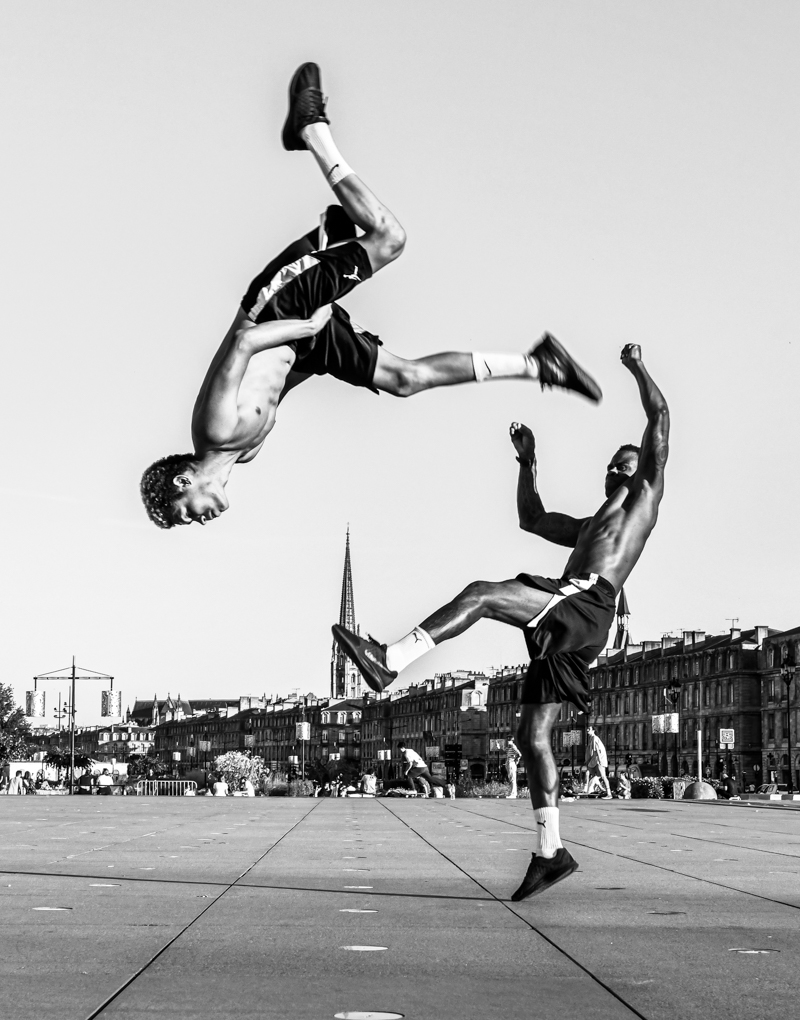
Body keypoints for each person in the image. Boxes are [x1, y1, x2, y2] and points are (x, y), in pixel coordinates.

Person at [140, 62, 601, 529]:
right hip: (302, 344)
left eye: (188, 515)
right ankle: (540, 364)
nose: (201, 520)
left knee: (389, 238)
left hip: (279, 307)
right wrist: (321, 355)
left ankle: (313, 132)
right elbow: (275, 387)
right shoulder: (247, 454)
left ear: (183, 481)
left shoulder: (214, 430)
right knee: (405, 379)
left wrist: (307, 327)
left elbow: (244, 345)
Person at [334, 343, 669, 900]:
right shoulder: (590, 525)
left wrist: (637, 367)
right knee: (531, 736)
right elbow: (531, 518)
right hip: (579, 622)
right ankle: (550, 851)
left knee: (484, 594)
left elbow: (660, 417)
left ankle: (390, 659)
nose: (613, 466)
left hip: (585, 603)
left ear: (641, 470)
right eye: (610, 462)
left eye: (624, 461)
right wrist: (527, 461)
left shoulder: (645, 500)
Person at [584, 725, 612, 797]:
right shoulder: (591, 739)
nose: (587, 730)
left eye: (589, 729)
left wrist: (599, 761)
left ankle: (609, 793)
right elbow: (591, 752)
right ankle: (588, 789)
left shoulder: (595, 738)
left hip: (598, 760)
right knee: (590, 773)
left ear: (593, 730)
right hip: (594, 760)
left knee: (603, 776)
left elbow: (596, 751)